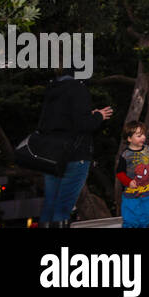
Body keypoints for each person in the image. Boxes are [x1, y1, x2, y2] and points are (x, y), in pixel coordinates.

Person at [37, 69, 112, 227]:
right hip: (75, 156)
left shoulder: (52, 91)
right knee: (63, 206)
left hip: (51, 155)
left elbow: (57, 123)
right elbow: (83, 124)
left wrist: (89, 114)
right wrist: (99, 116)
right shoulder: (78, 88)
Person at [117, 121, 149, 228]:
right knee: (131, 214)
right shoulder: (125, 155)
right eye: (139, 135)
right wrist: (128, 182)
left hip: (148, 190)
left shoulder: (147, 151)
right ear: (129, 139)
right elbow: (119, 173)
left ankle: (144, 223)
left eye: (143, 134)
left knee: (145, 211)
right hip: (131, 192)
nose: (143, 137)